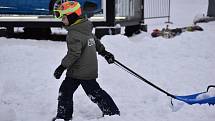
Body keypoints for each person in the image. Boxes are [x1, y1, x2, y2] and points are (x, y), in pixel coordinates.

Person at [52, 1, 120, 121]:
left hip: (82, 72)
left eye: (64, 17)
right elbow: (95, 41)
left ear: (72, 17)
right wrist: (104, 53)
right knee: (66, 91)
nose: (62, 20)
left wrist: (61, 67)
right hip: (80, 70)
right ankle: (63, 117)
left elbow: (74, 53)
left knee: (94, 93)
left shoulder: (73, 34)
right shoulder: (85, 27)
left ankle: (112, 113)